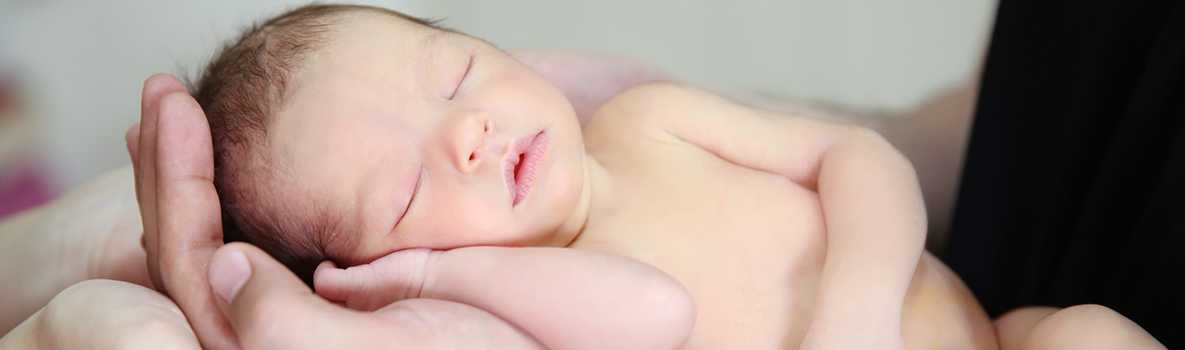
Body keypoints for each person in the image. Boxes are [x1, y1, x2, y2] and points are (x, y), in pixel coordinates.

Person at [178, 4, 1161, 349]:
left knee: (1086, 333)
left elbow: (859, 158)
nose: (467, 133)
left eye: (454, 73)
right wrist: (441, 281)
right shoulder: (528, 310)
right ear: (366, 275)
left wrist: (856, 310)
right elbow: (651, 312)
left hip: (993, 334)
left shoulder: (646, 122)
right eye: (399, 193)